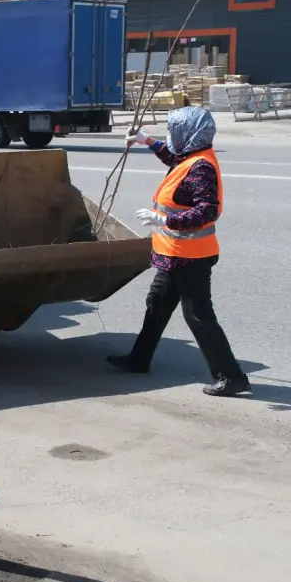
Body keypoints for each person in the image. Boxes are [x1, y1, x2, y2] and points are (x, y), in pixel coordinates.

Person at [107, 106, 251, 398]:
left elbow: (207, 211)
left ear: (190, 133)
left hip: (191, 256)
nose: (171, 135)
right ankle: (139, 359)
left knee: (198, 315)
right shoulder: (189, 157)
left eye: (174, 130)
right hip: (174, 253)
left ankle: (232, 377)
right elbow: (173, 159)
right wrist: (147, 141)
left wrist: (165, 220)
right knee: (157, 302)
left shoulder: (201, 167)